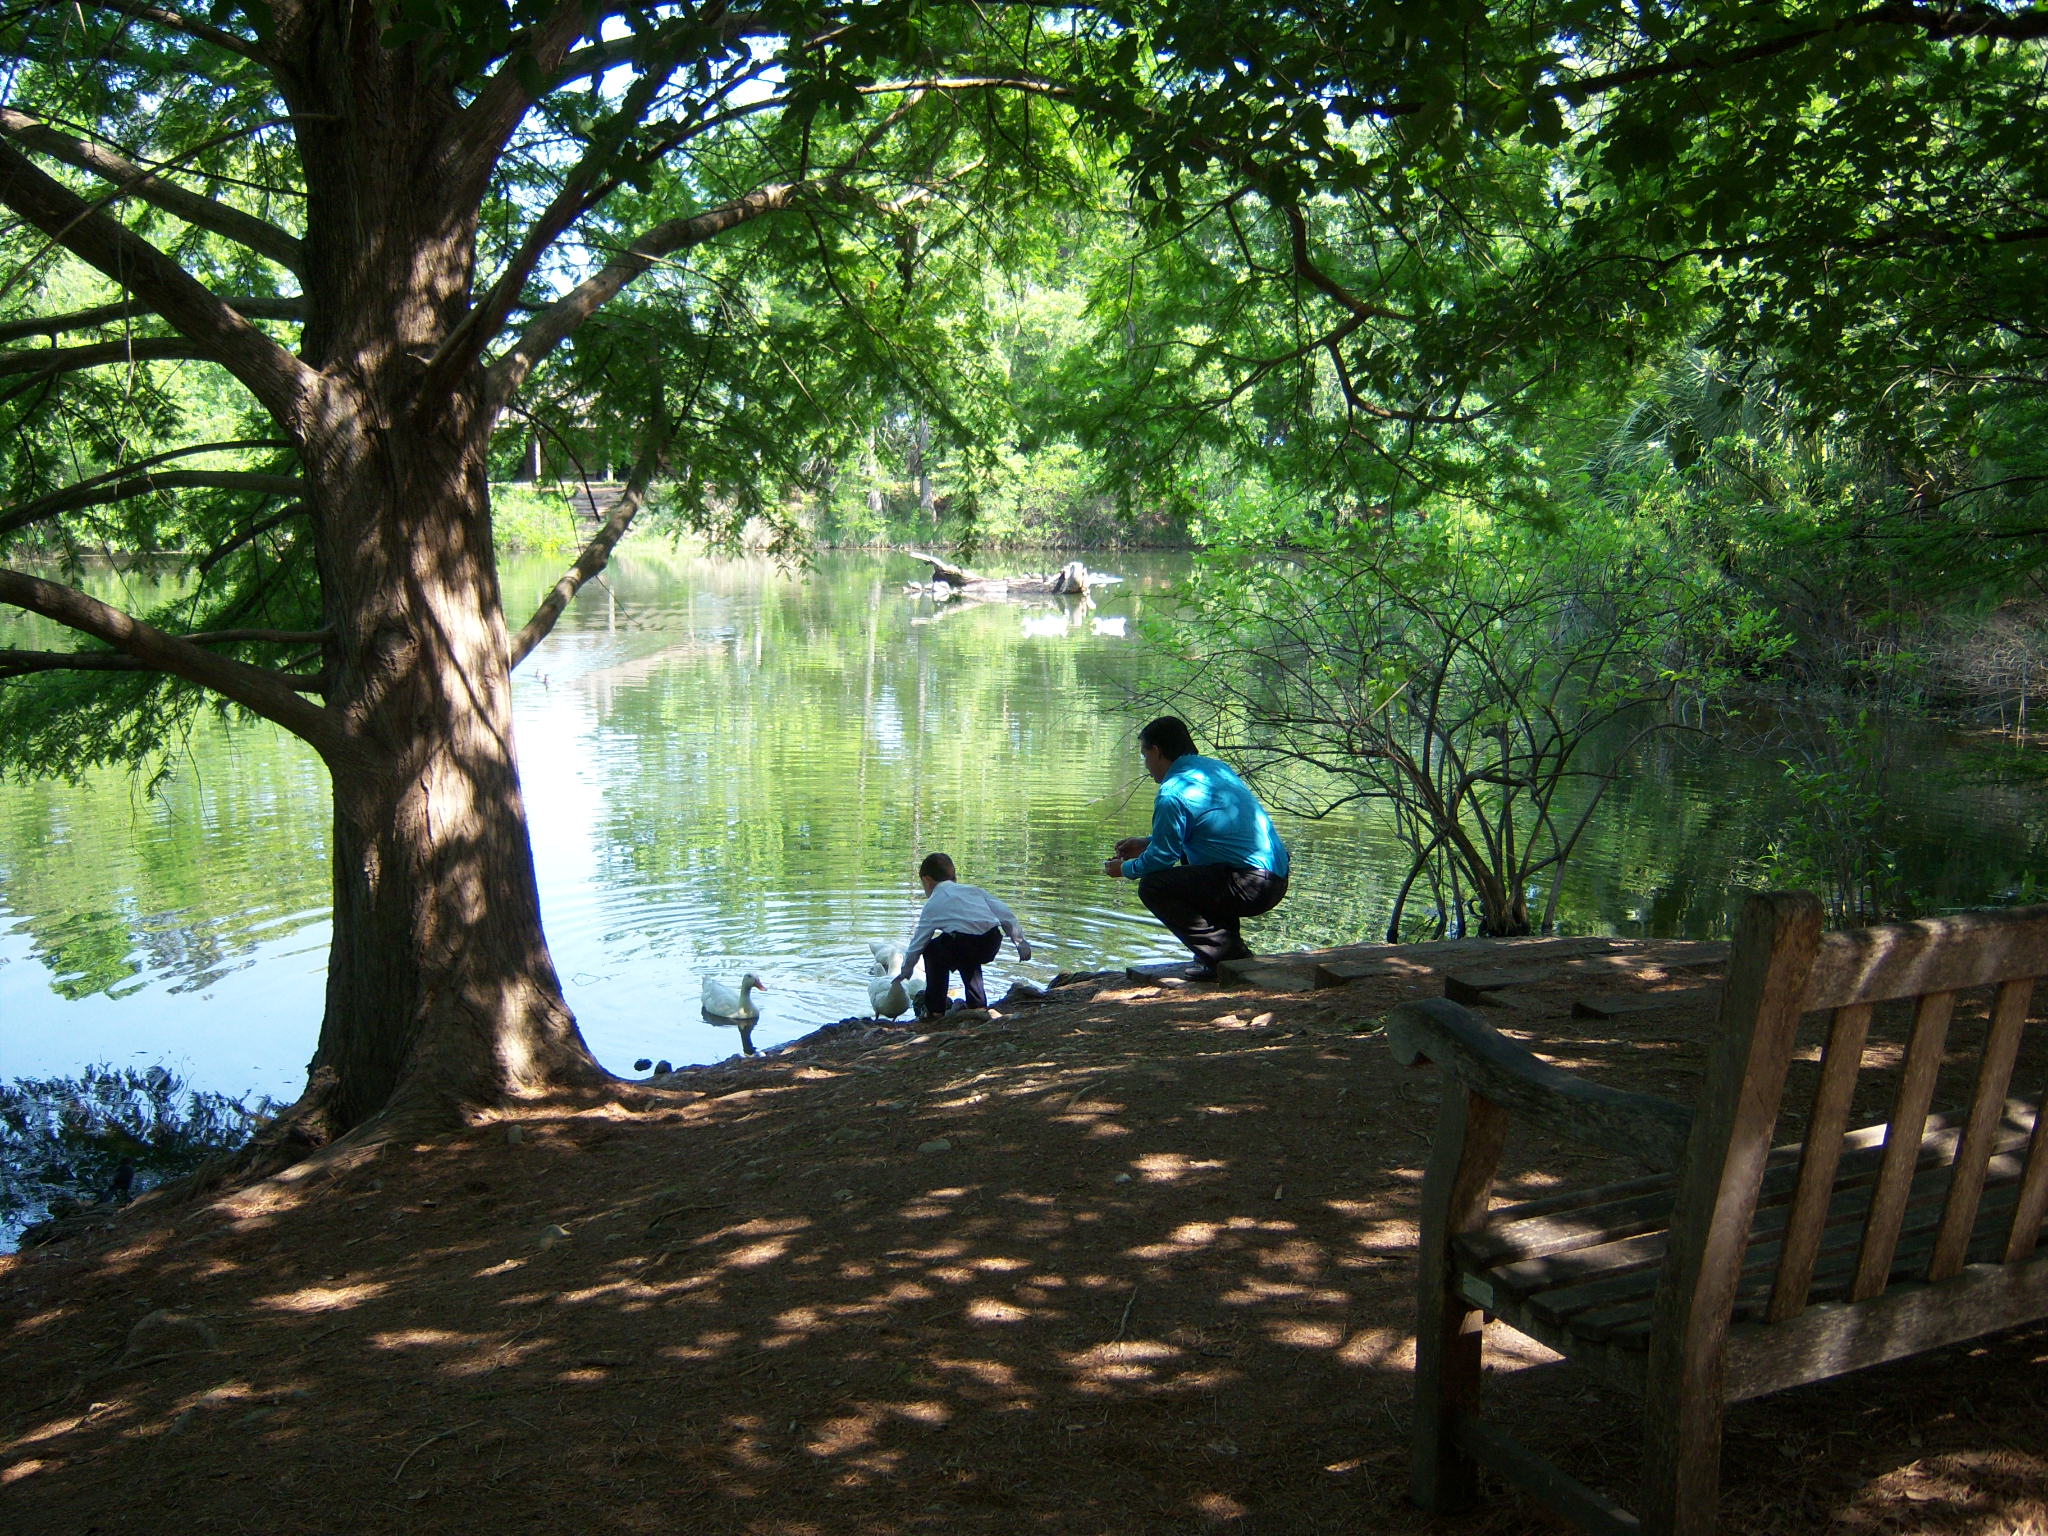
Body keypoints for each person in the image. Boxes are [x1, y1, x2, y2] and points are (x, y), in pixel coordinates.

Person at [1104, 716, 1290, 978]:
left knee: (1154, 885)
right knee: (1192, 862)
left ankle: (1228, 958)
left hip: (1250, 885)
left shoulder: (1173, 791)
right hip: (1274, 879)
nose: (1146, 765)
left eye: (1144, 755)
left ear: (1156, 751)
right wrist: (1146, 843)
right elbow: (1207, 834)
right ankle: (1222, 955)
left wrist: (1124, 868)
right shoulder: (1216, 769)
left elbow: (1161, 860)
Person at [897, 852, 1032, 1018]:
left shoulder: (933, 904)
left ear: (927, 880)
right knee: (959, 946)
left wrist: (906, 970)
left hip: (966, 944)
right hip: (991, 941)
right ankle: (977, 1004)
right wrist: (1020, 943)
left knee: (932, 949)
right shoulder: (974, 891)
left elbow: (918, 943)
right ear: (954, 877)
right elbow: (1006, 915)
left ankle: (935, 1010)